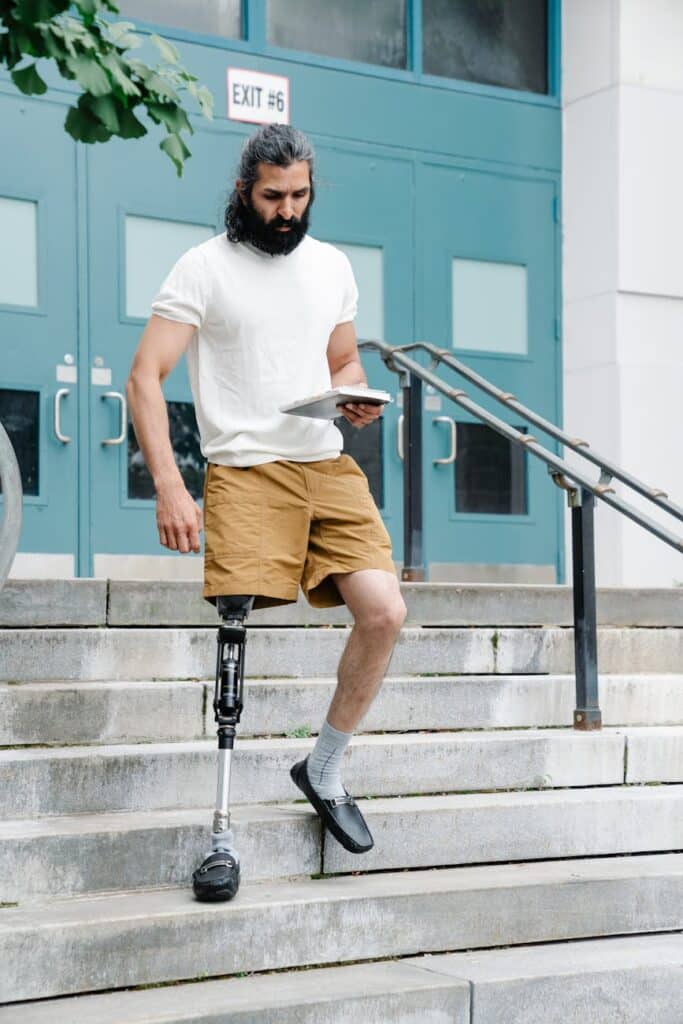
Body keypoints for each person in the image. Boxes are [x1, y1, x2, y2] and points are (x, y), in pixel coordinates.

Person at [126, 123, 407, 864]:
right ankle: (220, 834)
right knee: (235, 631)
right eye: (273, 196)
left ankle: (324, 767)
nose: (287, 210)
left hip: (324, 461)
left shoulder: (331, 266)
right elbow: (143, 375)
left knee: (384, 612)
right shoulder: (203, 268)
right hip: (246, 468)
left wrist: (353, 396)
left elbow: (343, 359)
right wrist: (169, 485)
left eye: (300, 195)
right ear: (244, 192)